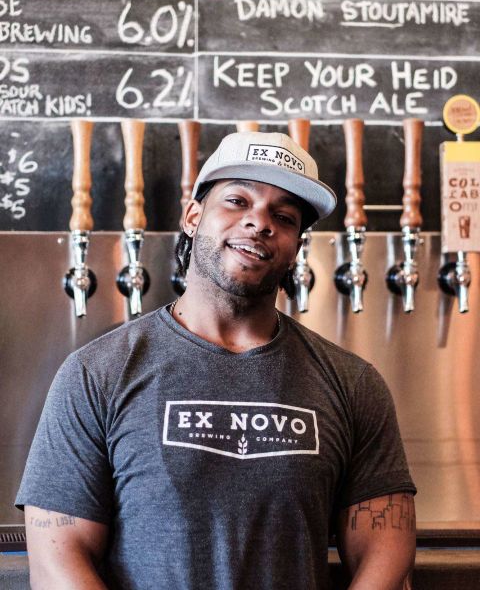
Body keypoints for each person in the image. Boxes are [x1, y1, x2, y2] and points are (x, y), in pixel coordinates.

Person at [16, 131, 416, 590]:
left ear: (296, 246)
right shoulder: (96, 374)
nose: (259, 222)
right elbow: (58, 564)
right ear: (192, 216)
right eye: (237, 201)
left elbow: (385, 553)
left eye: (283, 216)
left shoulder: (353, 384)